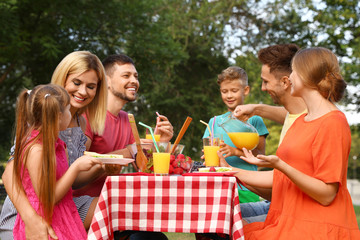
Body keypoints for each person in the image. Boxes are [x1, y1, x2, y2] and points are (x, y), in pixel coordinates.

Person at [232, 47, 360, 239]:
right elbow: (280, 178)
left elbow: (327, 194)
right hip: (289, 220)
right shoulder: (300, 121)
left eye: (293, 71)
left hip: (318, 228)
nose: (289, 77)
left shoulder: (333, 122)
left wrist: (281, 165)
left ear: (305, 76)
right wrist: (228, 170)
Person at [0, 51, 108, 239]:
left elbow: (68, 178)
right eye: (76, 83)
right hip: (28, 208)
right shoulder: (39, 117)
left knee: (112, 206)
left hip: (63, 203)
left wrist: (102, 167)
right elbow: (10, 173)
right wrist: (32, 219)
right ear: (63, 78)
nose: (83, 91)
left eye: (91, 86)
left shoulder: (81, 123)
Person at [11, 84, 102, 239]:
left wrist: (96, 166)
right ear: (59, 116)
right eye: (68, 109)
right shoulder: (36, 151)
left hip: (65, 214)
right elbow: (48, 198)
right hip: (46, 221)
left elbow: (62, 183)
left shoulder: (57, 145)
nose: (71, 114)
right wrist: (76, 167)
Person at [77, 54, 174, 197]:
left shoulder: (127, 119)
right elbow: (77, 174)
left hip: (112, 197)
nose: (134, 81)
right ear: (107, 82)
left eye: (136, 76)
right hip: (81, 202)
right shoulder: (88, 115)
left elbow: (144, 168)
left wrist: (159, 142)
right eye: (126, 76)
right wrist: (130, 150)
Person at [233, 44, 306, 223]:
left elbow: (282, 181)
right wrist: (255, 108)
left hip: (293, 211)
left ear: (285, 81)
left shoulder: (309, 120)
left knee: (222, 223)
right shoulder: (296, 113)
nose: (263, 88)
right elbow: (288, 114)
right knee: (216, 214)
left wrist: (232, 172)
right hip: (276, 201)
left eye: (266, 81)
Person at [202, 66, 269, 204]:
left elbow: (260, 157)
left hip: (248, 188)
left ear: (246, 90)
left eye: (234, 90)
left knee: (250, 224)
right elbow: (208, 155)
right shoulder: (213, 122)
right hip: (219, 187)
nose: (229, 96)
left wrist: (235, 152)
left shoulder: (255, 120)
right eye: (224, 91)